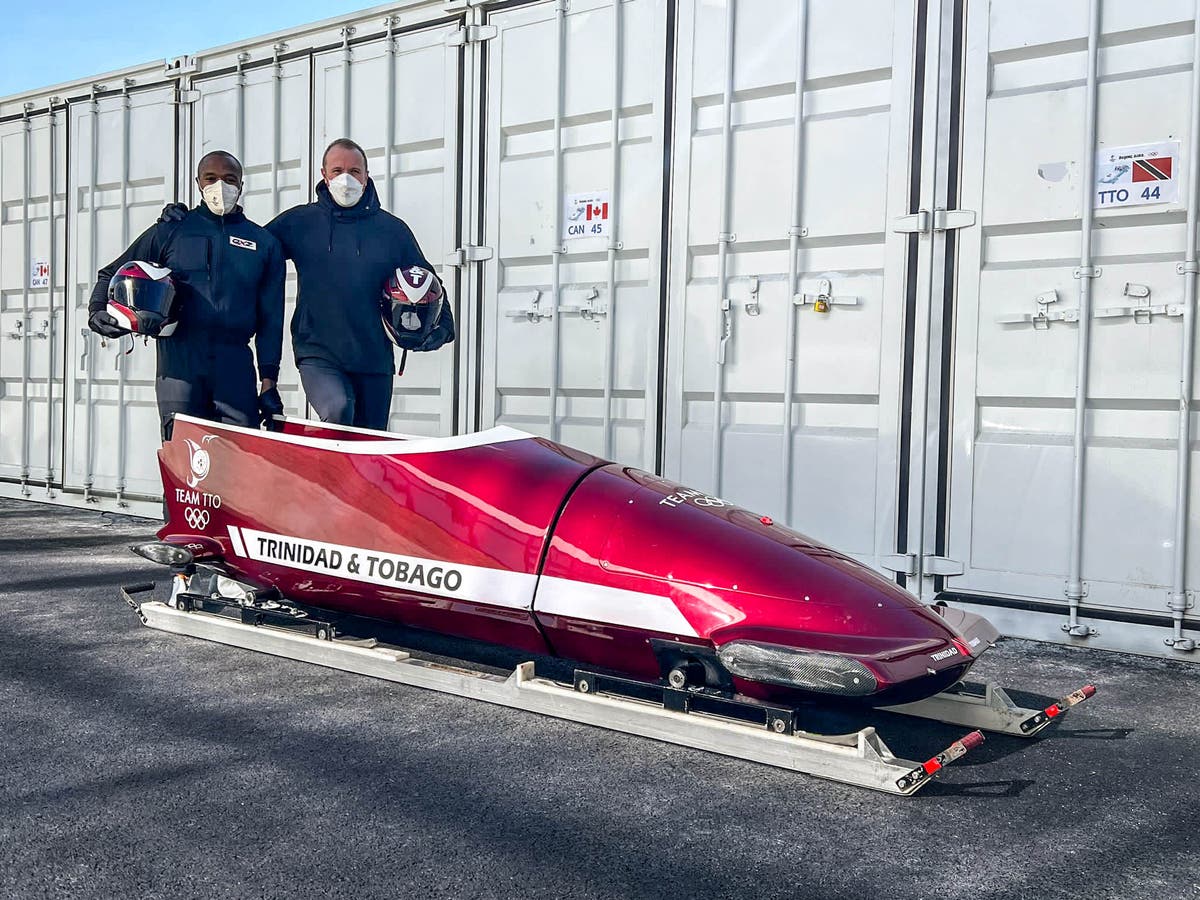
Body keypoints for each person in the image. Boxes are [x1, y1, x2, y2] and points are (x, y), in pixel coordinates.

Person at [163, 138, 453, 431]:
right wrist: (189, 223)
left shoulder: (392, 230)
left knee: (370, 440)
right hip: (318, 353)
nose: (346, 179)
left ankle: (332, 478)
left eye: (355, 171)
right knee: (338, 409)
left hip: (375, 358)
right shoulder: (301, 221)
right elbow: (248, 248)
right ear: (324, 175)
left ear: (367, 176)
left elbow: (428, 281)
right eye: (337, 170)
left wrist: (440, 330)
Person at [90, 150, 285, 440]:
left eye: (230, 179)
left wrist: (269, 380)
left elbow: (272, 318)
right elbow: (111, 274)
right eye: (211, 178)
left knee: (241, 463)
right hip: (179, 363)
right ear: (198, 183)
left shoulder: (263, 243)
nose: (221, 186)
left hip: (234, 364)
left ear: (241, 185)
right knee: (183, 463)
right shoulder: (171, 230)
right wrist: (98, 312)